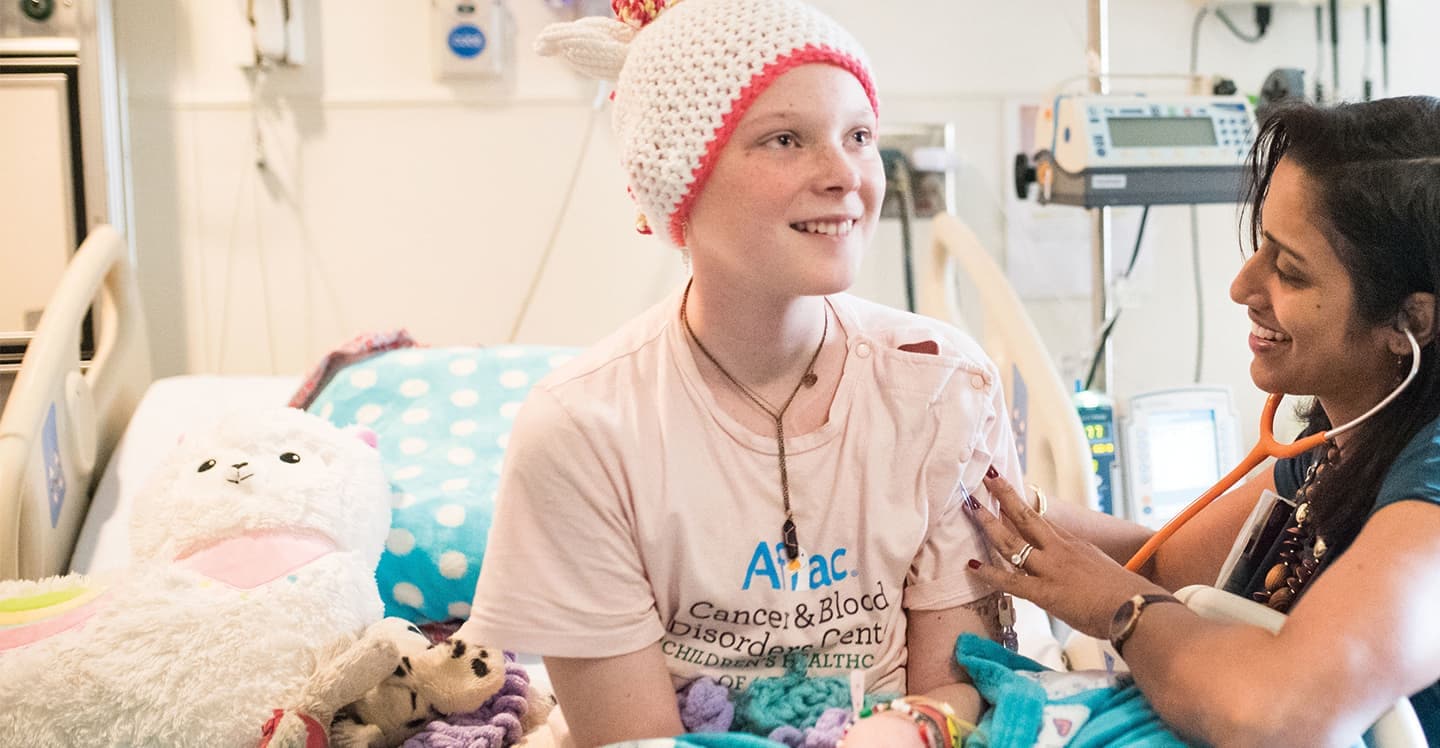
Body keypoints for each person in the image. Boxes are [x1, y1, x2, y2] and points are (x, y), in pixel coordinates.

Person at [464, 1, 1022, 746]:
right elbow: (632, 738)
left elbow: (963, 687)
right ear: (678, 182)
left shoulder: (943, 389)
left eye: (859, 135)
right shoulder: (584, 430)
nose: (844, 175)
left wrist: (895, 733)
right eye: (785, 139)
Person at [965, 95, 1440, 746]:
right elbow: (1160, 570)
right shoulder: (1344, 435)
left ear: (1409, 322)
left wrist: (1118, 612)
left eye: (1290, 271)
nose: (1243, 286)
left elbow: (1279, 711)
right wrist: (990, 494)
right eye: (1260, 246)